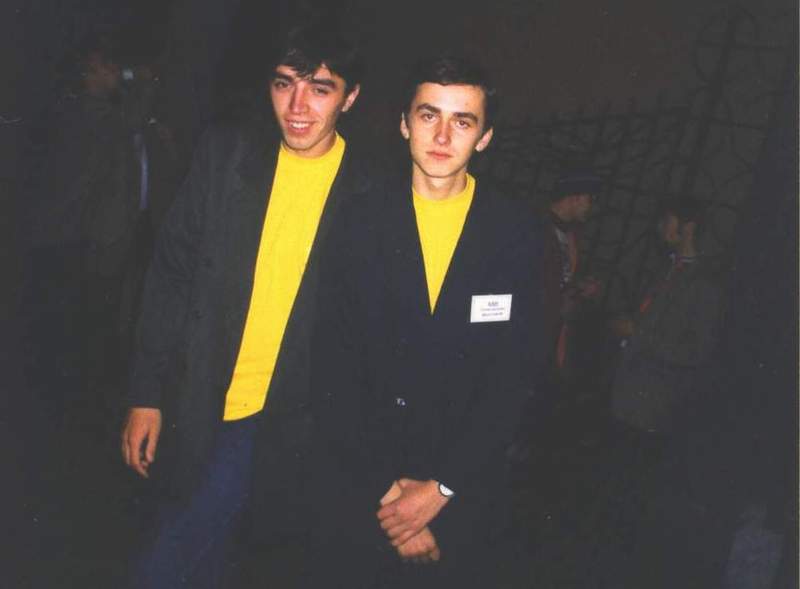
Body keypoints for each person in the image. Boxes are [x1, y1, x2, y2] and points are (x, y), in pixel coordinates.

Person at [120, 23, 372, 588]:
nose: (298, 107)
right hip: (199, 396)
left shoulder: (369, 193)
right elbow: (171, 274)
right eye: (284, 84)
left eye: (320, 89)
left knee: (177, 552)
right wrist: (145, 393)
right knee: (199, 551)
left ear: (350, 97)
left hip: (287, 419)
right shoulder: (228, 155)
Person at [308, 54, 545, 587]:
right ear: (403, 123)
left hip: (459, 498)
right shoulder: (359, 221)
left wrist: (439, 491)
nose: (441, 136)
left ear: (484, 137)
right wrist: (392, 499)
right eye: (428, 114)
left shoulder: (516, 234)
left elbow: (514, 377)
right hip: (362, 488)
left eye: (463, 121)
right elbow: (332, 368)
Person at [606, 197, 725, 588]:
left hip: (653, 408)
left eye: (668, 220)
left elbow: (695, 352)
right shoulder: (668, 268)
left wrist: (638, 335)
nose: (661, 227)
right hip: (630, 398)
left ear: (688, 226)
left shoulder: (704, 284)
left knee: (632, 501)